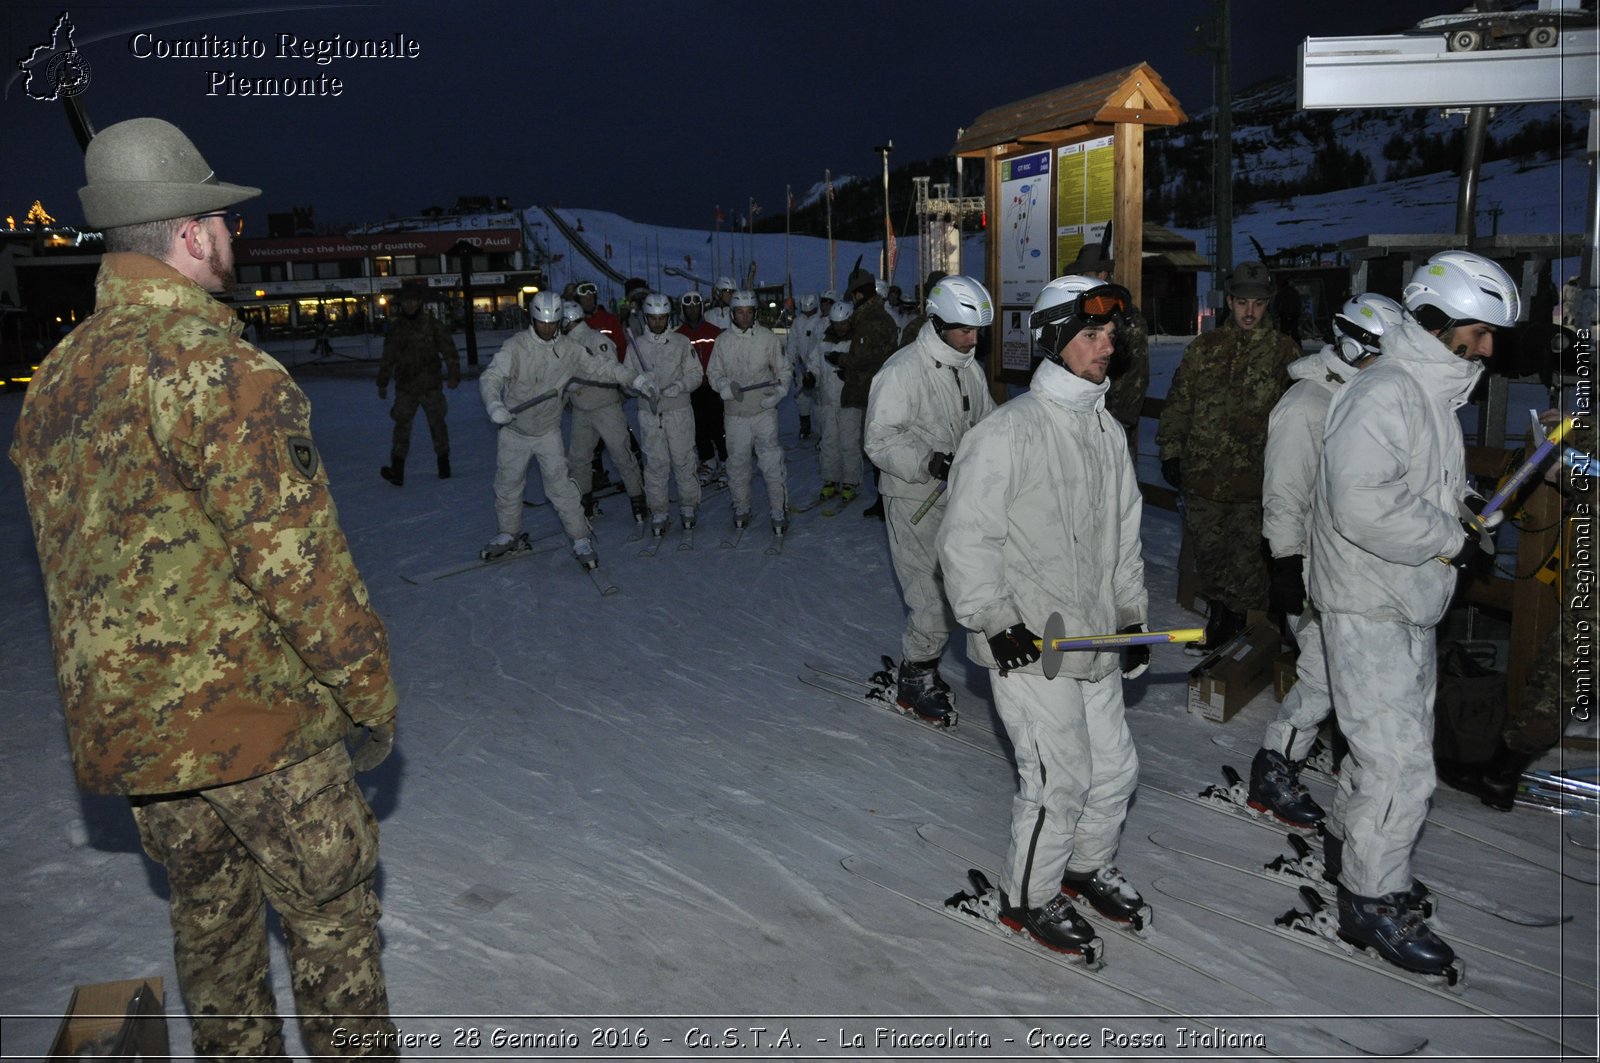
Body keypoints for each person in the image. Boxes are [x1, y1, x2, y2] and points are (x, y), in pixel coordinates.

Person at [9, 116, 399, 1058]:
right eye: (222, 220)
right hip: (260, 728)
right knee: (332, 931)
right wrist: (369, 696)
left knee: (213, 938)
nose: (235, 236)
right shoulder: (219, 368)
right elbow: (302, 572)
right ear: (190, 234)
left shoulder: (57, 381)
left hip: (142, 744)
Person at [1309, 250, 1520, 978]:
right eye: (1479, 330)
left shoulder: (1431, 398)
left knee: (1384, 751)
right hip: (1369, 598)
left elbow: (1423, 484)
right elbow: (1359, 502)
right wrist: (1447, 539)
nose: (1488, 347)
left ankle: (1355, 849)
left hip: (1404, 599)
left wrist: (1461, 512)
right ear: (1436, 321)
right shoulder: (1388, 393)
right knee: (1401, 766)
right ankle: (1370, 898)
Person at [938, 274, 1150, 956]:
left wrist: (1131, 616)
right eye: (1091, 335)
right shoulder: (1007, 432)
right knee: (1060, 779)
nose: (1105, 348)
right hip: (1029, 644)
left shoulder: (1107, 433)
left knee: (1114, 770)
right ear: (1054, 342)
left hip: (1093, 640)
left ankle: (1082, 865)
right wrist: (996, 621)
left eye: (1111, 336)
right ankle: (1027, 896)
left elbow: (1123, 537)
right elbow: (966, 541)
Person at [1246, 293, 1406, 828]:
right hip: (1313, 566)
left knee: (1349, 673)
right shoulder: (1306, 406)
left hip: (1354, 567)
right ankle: (1275, 765)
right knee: (1325, 675)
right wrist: (1286, 563)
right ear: (1356, 347)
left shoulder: (1363, 400)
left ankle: (1339, 753)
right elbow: (1284, 494)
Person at [864, 276, 997, 722]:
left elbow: (987, 424)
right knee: (933, 597)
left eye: (979, 330)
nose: (973, 338)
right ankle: (915, 676)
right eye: (965, 329)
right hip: (912, 498)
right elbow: (879, 440)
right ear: (938, 324)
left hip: (958, 497)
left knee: (971, 585)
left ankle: (930, 662)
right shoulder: (903, 370)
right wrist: (929, 461)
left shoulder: (969, 368)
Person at [1156, 260, 1300, 654]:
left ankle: (1243, 624)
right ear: (1230, 302)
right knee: (1209, 554)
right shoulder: (1206, 348)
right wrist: (1171, 450)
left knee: (1249, 561)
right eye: (1241, 303)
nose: (1249, 313)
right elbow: (1180, 401)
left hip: (1255, 480)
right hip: (1204, 475)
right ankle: (1220, 614)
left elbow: (1299, 416)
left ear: (1268, 303)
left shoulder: (1284, 352)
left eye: (1257, 304)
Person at [479, 291, 656, 570]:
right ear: (533, 319)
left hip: (547, 432)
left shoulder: (570, 350)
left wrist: (636, 379)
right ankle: (508, 532)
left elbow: (602, 369)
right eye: (542, 323)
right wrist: (494, 404)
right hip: (514, 430)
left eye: (553, 323)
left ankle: (580, 537)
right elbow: (491, 376)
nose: (548, 329)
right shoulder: (517, 346)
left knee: (561, 487)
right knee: (508, 484)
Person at [705, 289, 792, 537]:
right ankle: (741, 505)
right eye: (740, 312)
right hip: (735, 415)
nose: (744, 317)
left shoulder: (767, 339)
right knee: (737, 463)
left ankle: (778, 508)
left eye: (749, 312)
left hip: (763, 411)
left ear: (755, 313)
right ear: (733, 313)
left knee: (771, 462)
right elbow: (714, 372)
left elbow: (784, 371)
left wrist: (778, 395)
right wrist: (723, 386)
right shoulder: (723, 341)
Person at [561, 300, 647, 526]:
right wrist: (567, 397)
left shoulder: (595, 340)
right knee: (579, 459)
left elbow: (609, 370)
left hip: (605, 407)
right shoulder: (564, 345)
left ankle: (638, 498)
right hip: (582, 409)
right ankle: (584, 502)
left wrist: (577, 386)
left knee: (621, 454)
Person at [1063, 244, 1147, 459]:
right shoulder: (1080, 311)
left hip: (1111, 420)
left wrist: (1118, 423)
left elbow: (1135, 375)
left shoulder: (1125, 317)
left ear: (1102, 275)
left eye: (1085, 274)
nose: (1080, 279)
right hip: (1079, 419)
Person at [632, 293, 703, 535]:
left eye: (662, 318)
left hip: (678, 411)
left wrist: (680, 386)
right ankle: (659, 510)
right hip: (650, 415)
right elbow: (624, 379)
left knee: (684, 460)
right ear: (646, 318)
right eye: (653, 319)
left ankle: (688, 506)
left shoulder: (681, 342)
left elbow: (696, 373)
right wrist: (640, 384)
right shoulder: (637, 346)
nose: (658, 323)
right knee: (655, 465)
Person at [376, 282, 460, 485]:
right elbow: (388, 357)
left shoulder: (432, 324)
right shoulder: (397, 328)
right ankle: (397, 468)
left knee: (437, 424)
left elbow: (449, 350)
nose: (410, 305)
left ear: (420, 302)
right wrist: (383, 382)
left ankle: (443, 462)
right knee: (401, 426)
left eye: (413, 301)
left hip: (430, 385)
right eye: (406, 301)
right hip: (406, 387)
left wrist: (453, 374)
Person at [840, 265, 900, 519]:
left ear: (858, 295)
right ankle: (883, 500)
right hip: (875, 390)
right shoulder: (874, 316)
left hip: (877, 392)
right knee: (876, 447)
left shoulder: (872, 319)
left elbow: (862, 356)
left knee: (877, 447)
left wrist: (840, 359)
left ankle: (886, 502)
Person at [805, 300, 858, 504]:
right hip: (827, 400)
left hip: (849, 401)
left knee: (848, 442)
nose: (840, 327)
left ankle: (850, 481)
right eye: (837, 323)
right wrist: (811, 376)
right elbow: (815, 363)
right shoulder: (823, 342)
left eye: (844, 323)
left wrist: (850, 374)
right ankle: (831, 478)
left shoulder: (856, 342)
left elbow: (863, 366)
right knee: (828, 442)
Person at [678, 290, 728, 484]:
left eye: (695, 306)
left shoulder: (713, 332)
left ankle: (725, 460)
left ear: (701, 308)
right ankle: (707, 460)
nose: (692, 310)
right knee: (697, 427)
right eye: (688, 307)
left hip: (711, 386)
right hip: (692, 389)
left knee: (717, 425)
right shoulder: (678, 336)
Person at [786, 292, 824, 440]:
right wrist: (791, 362)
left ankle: (823, 432)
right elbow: (792, 343)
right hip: (802, 366)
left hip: (818, 367)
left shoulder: (821, 321)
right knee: (802, 398)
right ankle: (805, 426)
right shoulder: (798, 322)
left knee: (820, 399)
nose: (808, 313)